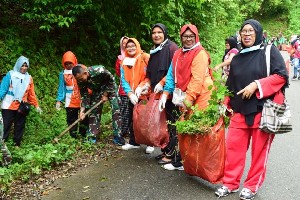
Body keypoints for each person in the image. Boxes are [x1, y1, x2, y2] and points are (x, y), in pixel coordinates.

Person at [214, 19, 288, 200]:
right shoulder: (237, 57)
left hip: (263, 110)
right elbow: (231, 85)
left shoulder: (269, 52)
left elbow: (281, 76)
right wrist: (225, 103)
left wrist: (256, 85)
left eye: (250, 31)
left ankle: (252, 185)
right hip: (239, 111)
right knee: (233, 149)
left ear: (258, 32)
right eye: (243, 31)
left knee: (259, 152)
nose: (246, 34)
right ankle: (230, 183)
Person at [158, 24, 214, 170]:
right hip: (184, 96)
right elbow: (171, 74)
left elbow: (197, 80)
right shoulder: (178, 53)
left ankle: (195, 164)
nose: (188, 39)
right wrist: (165, 93)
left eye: (191, 36)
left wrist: (187, 100)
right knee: (183, 129)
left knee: (195, 130)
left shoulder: (199, 53)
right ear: (181, 37)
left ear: (196, 37)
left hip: (200, 97)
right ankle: (183, 162)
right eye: (185, 36)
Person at [135, 23, 179, 164]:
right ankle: (166, 150)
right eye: (154, 33)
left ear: (165, 33)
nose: (156, 35)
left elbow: (174, 70)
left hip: (171, 94)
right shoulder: (155, 51)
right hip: (157, 95)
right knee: (163, 124)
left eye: (159, 32)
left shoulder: (172, 48)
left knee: (173, 123)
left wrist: (162, 83)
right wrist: (145, 84)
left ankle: (172, 154)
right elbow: (149, 74)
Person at [72, 64, 125, 145]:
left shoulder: (99, 70)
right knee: (94, 111)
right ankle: (92, 136)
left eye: (81, 78)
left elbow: (111, 80)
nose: (80, 81)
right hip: (97, 90)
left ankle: (118, 136)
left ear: (85, 73)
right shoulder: (79, 80)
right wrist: (82, 111)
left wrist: (105, 94)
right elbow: (84, 95)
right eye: (78, 79)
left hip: (110, 89)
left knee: (116, 110)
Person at [119, 38, 154, 154]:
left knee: (146, 119)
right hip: (132, 95)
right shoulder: (124, 61)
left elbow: (151, 75)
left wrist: (141, 86)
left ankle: (150, 143)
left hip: (145, 94)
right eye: (128, 46)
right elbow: (123, 80)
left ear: (137, 45)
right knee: (131, 118)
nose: (131, 48)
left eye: (133, 45)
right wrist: (129, 93)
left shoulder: (145, 57)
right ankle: (134, 142)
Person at [0, 56, 42, 147]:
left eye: (26, 66)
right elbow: (3, 89)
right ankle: (3, 144)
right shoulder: (10, 75)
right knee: (6, 125)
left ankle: (17, 145)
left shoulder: (29, 78)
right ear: (18, 65)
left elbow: (31, 94)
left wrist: (36, 105)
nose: (24, 68)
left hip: (21, 106)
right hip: (8, 105)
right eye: (22, 65)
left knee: (19, 126)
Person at [56, 51, 88, 139]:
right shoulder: (62, 74)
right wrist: (59, 100)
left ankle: (83, 135)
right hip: (70, 99)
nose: (69, 65)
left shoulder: (81, 69)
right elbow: (61, 88)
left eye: (70, 63)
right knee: (71, 118)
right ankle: (73, 136)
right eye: (66, 63)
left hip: (82, 97)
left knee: (83, 117)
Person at [115, 36, 130, 138]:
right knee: (124, 110)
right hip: (124, 89)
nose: (125, 45)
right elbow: (118, 73)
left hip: (136, 89)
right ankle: (125, 131)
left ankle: (135, 132)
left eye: (127, 43)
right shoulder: (119, 59)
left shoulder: (138, 57)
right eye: (123, 43)